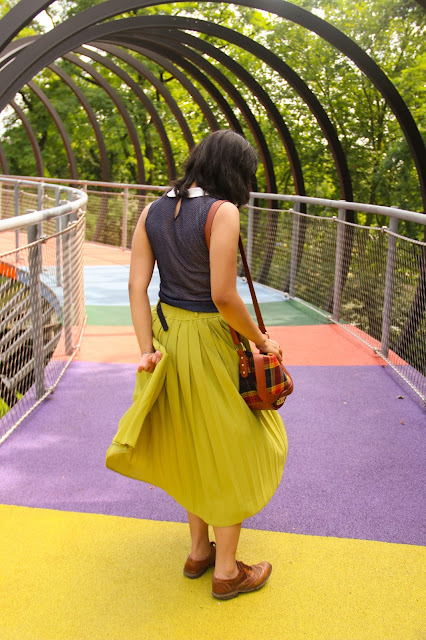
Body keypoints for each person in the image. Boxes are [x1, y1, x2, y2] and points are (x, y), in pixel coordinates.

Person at [109, 129, 288, 600]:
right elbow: (223, 295)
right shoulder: (222, 212)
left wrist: (145, 349)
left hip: (168, 339)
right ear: (234, 171)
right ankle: (227, 572)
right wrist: (262, 341)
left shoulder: (152, 210)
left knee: (193, 442)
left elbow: (136, 287)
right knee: (233, 446)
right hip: (211, 340)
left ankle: (198, 551)